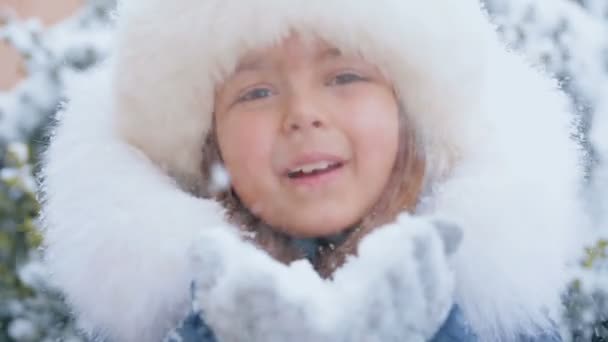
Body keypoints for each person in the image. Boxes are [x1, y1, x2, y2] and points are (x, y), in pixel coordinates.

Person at [40, 0, 589, 341]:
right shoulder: (168, 324)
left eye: (345, 76)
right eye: (255, 92)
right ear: (211, 147)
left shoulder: (501, 321)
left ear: (409, 107)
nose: (302, 115)